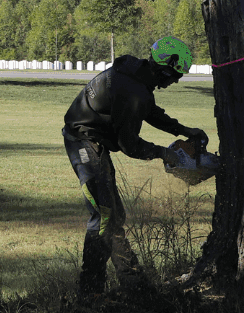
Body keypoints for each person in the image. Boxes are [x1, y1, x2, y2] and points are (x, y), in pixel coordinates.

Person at [62, 36, 210, 297]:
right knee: (104, 216)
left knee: (114, 216)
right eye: (176, 74)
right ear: (167, 66)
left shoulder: (135, 73)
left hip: (92, 139)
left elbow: (150, 112)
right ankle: (90, 293)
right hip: (83, 141)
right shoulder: (132, 88)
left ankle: (133, 282)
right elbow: (129, 145)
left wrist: (184, 130)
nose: (175, 80)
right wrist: (164, 153)